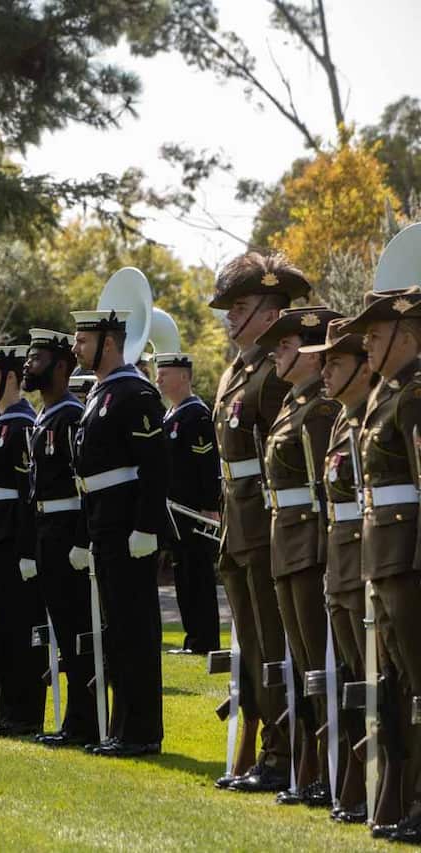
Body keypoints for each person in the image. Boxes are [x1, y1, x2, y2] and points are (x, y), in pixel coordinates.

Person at [208, 253, 310, 792]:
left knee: (275, 641)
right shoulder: (240, 368)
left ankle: (284, 751)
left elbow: (282, 454)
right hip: (237, 517)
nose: (230, 318)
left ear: (271, 316)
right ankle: (268, 742)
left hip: (267, 520)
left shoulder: (276, 371)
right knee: (251, 639)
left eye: (241, 308)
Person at [69, 307, 170, 757]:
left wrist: (146, 526)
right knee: (117, 631)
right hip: (105, 523)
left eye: (83, 340)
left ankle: (142, 731)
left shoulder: (135, 393)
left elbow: (153, 467)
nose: (76, 347)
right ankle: (122, 726)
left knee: (136, 631)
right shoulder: (101, 394)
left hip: (129, 526)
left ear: (108, 343)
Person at [342, 283, 421, 843]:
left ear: (407, 334)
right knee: (396, 686)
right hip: (381, 557)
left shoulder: (414, 396)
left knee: (419, 684)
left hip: (406, 559)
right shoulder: (385, 395)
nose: (366, 344)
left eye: (375, 334)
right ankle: (405, 798)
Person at [256, 306, 341, 805]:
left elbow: (322, 488)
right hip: (284, 539)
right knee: (304, 662)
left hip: (308, 540)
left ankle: (330, 772)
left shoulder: (321, 410)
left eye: (286, 346)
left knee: (319, 660)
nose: (277, 354)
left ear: (311, 353)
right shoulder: (293, 404)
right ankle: (312, 768)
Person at [304, 318, 373, 823]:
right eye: (323, 363)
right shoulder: (342, 420)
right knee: (350, 673)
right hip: (340, 557)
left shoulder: (374, 414)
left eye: (338, 363)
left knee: (379, 675)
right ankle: (357, 783)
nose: (325, 372)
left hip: (369, 557)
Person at [23, 329, 97, 748]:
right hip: (46, 529)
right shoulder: (46, 415)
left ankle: (82, 721)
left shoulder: (70, 415)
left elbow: (81, 482)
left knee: (74, 632)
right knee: (62, 632)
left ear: (63, 366)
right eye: (30, 358)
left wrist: (81, 540)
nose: (30, 366)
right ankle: (75, 720)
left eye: (40, 359)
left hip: (67, 529)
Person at [0, 343, 46, 737]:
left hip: (11, 533)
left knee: (17, 626)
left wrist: (25, 548)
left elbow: (26, 492)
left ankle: (24, 712)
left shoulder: (21, 425)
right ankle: (5, 709)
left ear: (11, 378)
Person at [154, 351, 221, 656]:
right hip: (175, 512)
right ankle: (194, 637)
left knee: (198, 577)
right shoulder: (172, 414)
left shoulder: (196, 414)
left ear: (183, 376)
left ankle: (204, 640)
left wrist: (209, 505)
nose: (158, 379)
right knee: (184, 576)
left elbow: (206, 463)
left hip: (194, 512)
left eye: (164, 373)